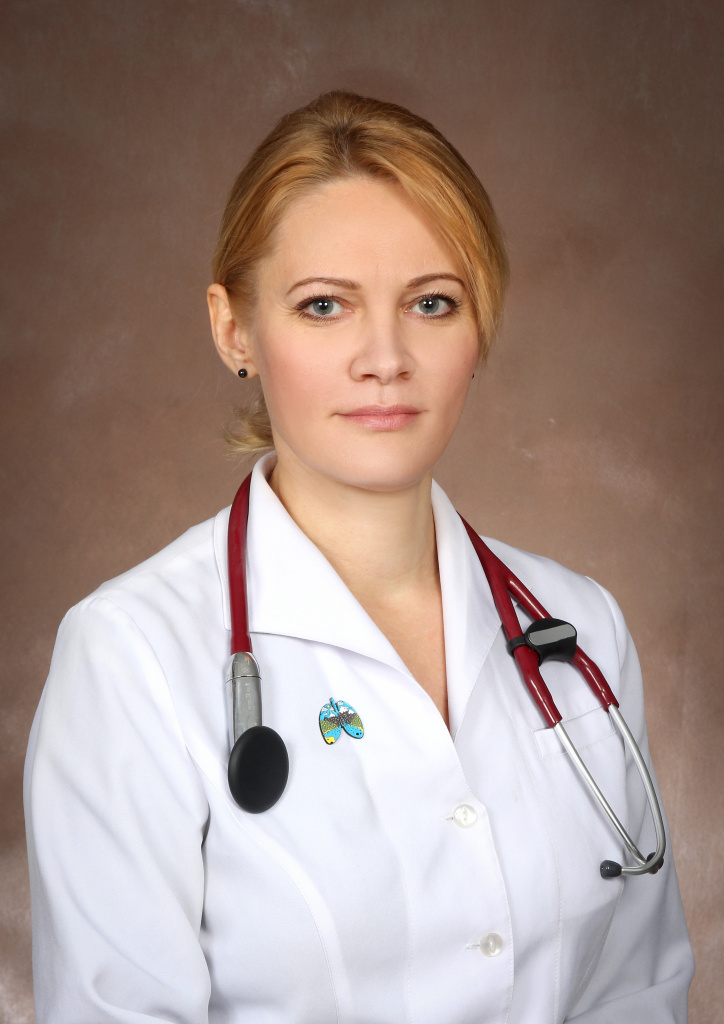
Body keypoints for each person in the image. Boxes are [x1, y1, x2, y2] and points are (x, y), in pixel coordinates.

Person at [24, 90, 693, 1023]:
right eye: (325, 305)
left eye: (432, 302)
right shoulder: (129, 657)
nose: (386, 357)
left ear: (479, 329)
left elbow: (639, 991)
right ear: (233, 329)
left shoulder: (579, 629)